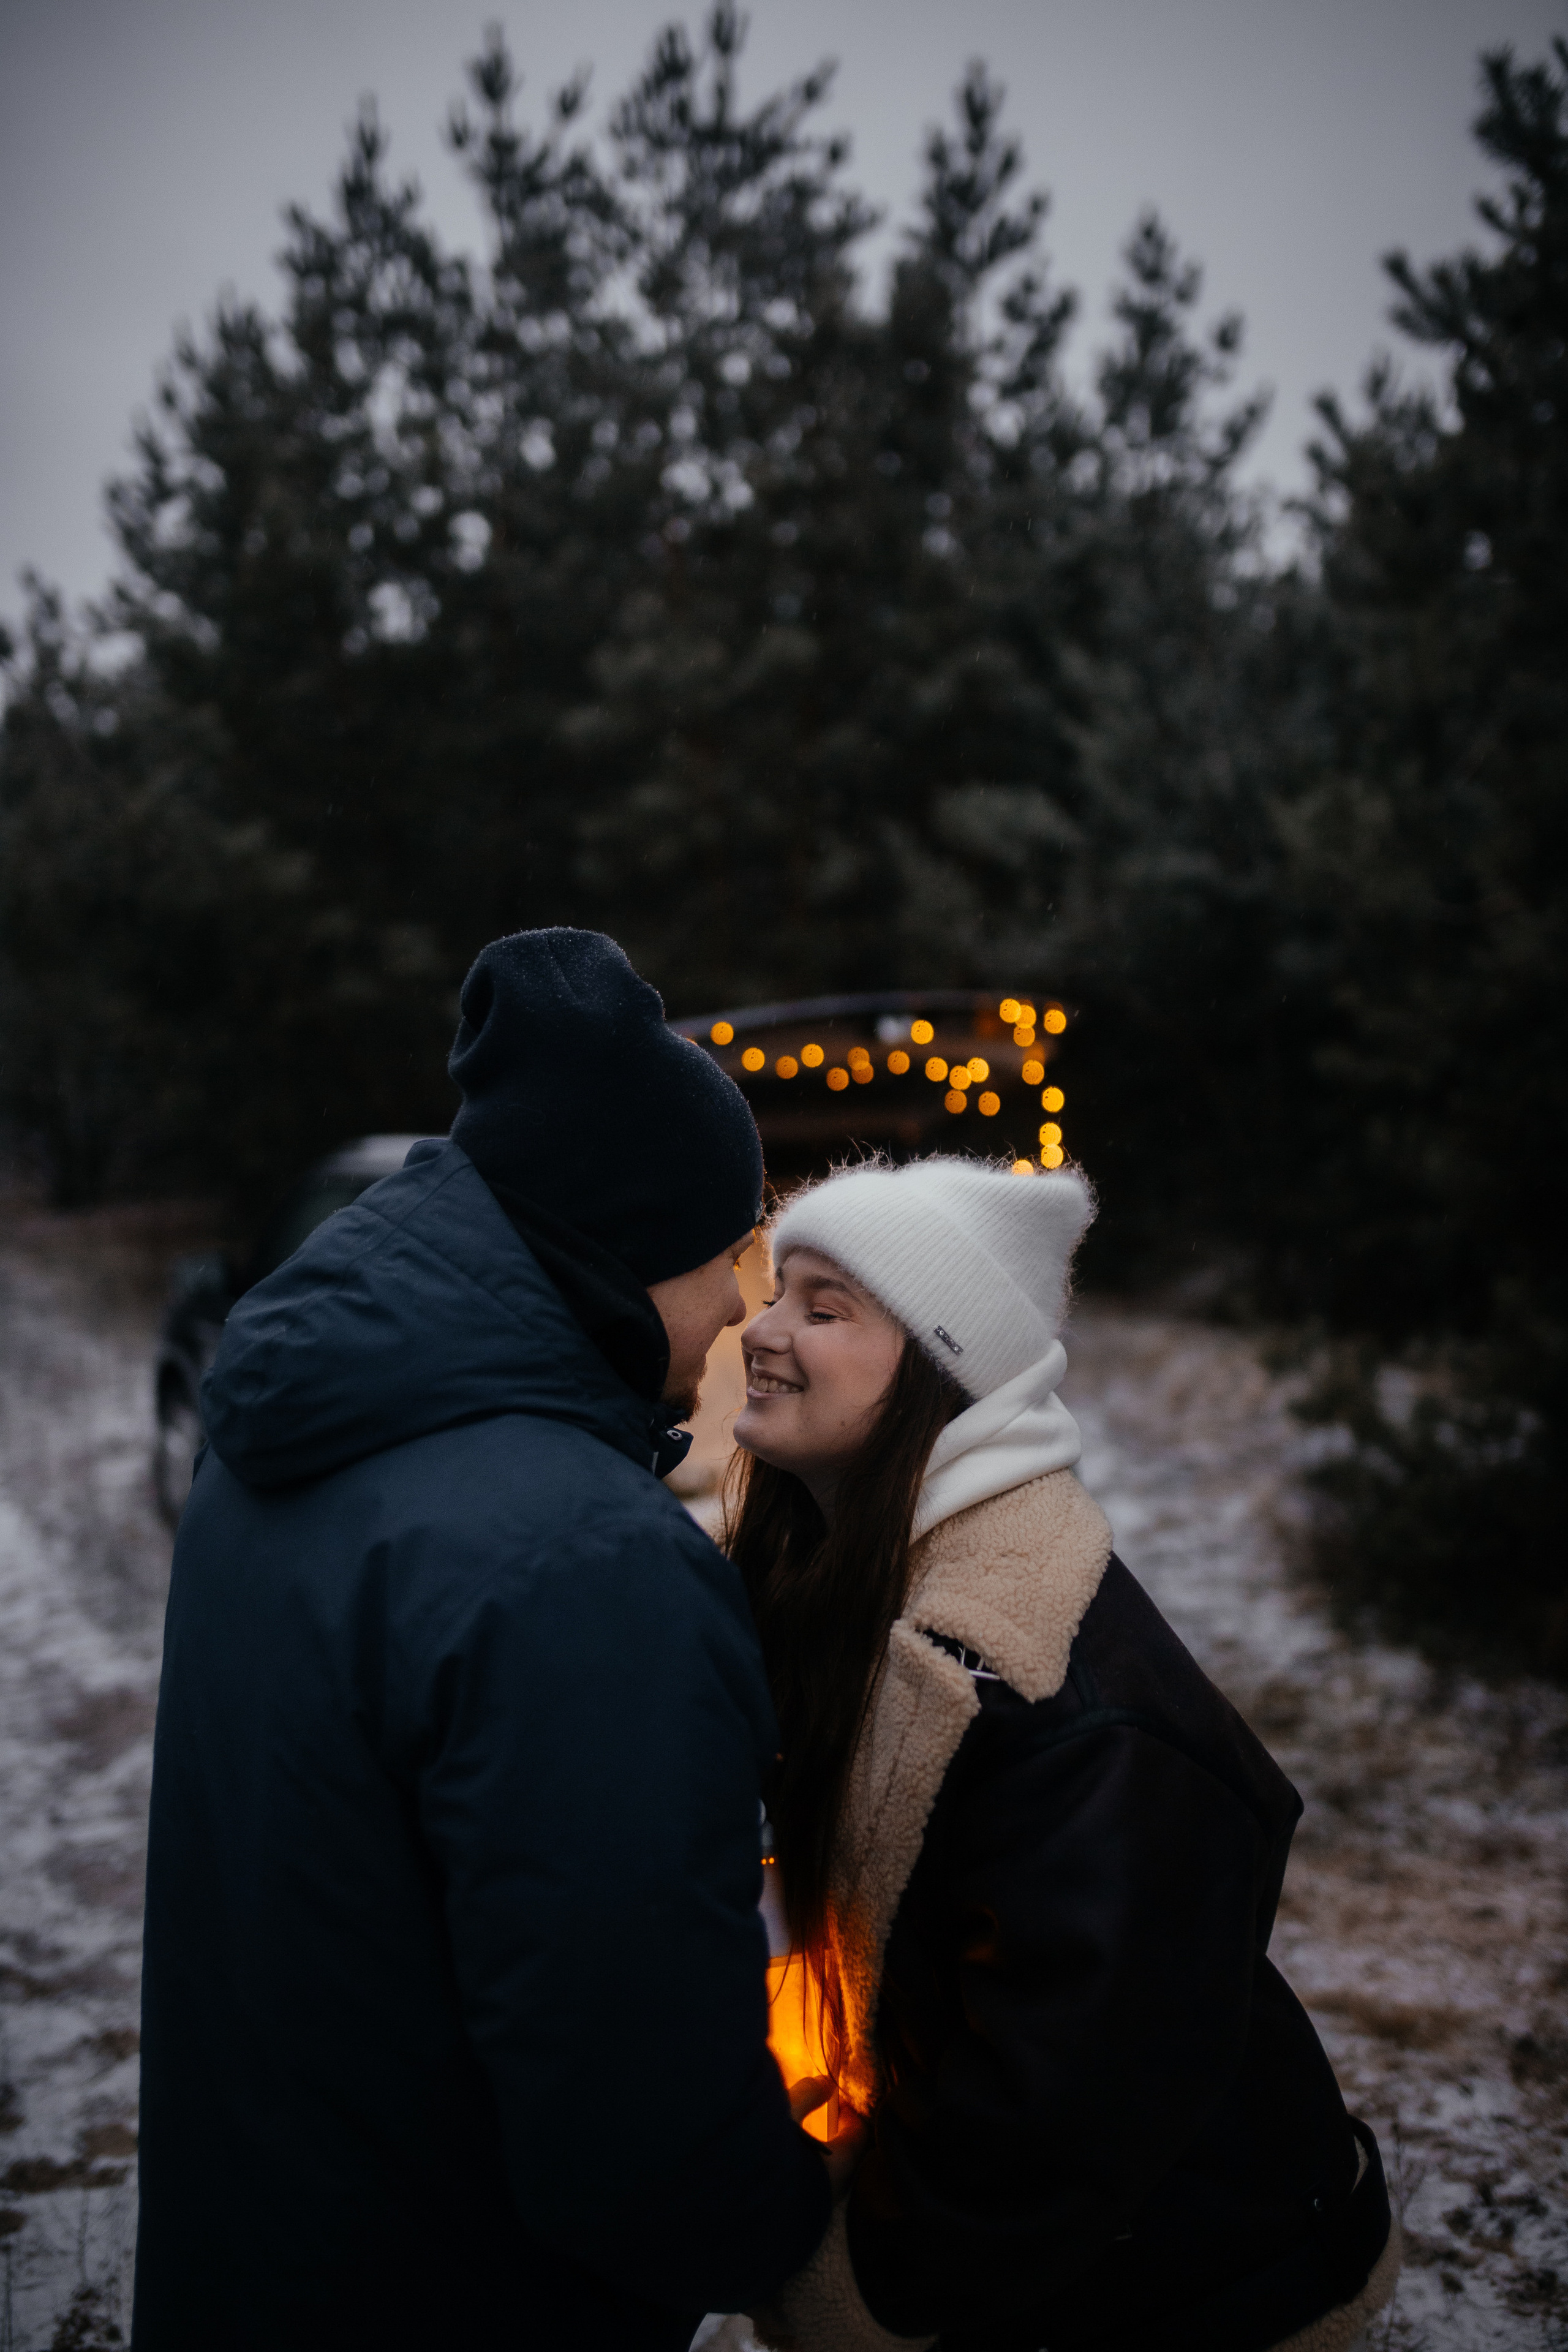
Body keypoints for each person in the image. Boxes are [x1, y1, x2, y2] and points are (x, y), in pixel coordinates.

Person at [132, 930, 844, 2351]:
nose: (733, 1306)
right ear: (626, 1239)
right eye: (724, 1250)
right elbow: (638, 2128)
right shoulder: (582, 1563)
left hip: (257, 2264)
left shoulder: (286, 1441)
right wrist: (803, 2228)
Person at [726, 1155, 1401, 2352]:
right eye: (777, 1290)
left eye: (821, 1308)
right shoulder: (839, 1584)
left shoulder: (1068, 1710)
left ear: (945, 1374)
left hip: (1179, 2290)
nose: (761, 1328)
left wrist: (861, 2290)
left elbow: (1055, 2115)